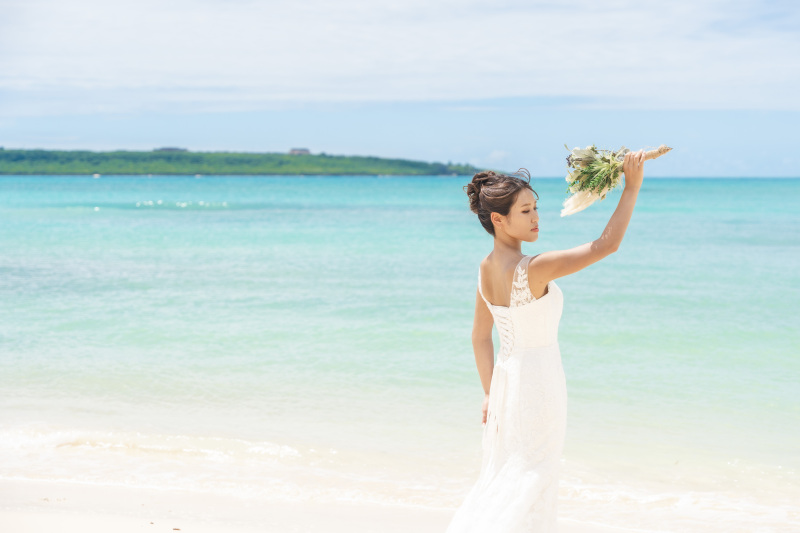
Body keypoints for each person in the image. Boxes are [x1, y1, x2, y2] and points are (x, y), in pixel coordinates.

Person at [445, 150, 647, 532]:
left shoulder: (485, 269)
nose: (536, 217)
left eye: (535, 207)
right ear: (498, 219)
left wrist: (490, 393)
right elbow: (606, 246)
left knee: (512, 475)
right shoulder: (533, 268)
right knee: (535, 476)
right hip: (538, 384)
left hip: (506, 385)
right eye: (525, 211)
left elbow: (480, 337)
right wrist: (632, 188)